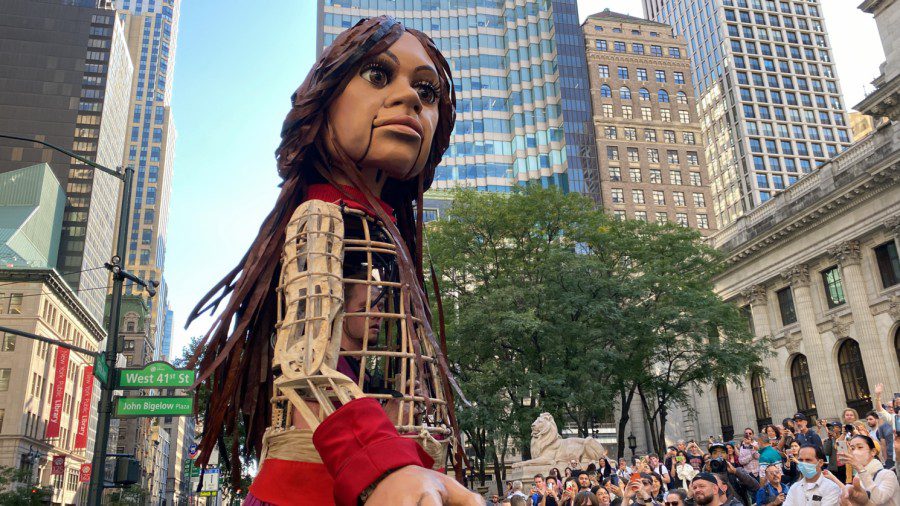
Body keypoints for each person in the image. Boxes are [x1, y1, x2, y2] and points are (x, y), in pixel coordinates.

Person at [190, 14, 480, 506]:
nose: (410, 98)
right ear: (323, 103)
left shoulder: (386, 238)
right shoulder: (320, 219)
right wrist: (384, 465)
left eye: (427, 91)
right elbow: (304, 365)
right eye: (377, 75)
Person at [836, 434, 900, 506]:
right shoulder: (858, 476)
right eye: (852, 448)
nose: (854, 452)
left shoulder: (888, 474)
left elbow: (878, 499)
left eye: (860, 447)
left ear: (873, 452)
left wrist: (859, 467)